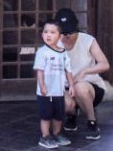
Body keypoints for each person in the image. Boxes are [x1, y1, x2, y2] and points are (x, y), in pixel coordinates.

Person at [54, 7, 109, 141]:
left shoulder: (88, 40)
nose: (67, 36)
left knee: (80, 88)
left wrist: (84, 71)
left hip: (89, 87)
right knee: (66, 103)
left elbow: (105, 64)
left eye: (70, 32)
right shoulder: (54, 43)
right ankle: (72, 115)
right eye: (63, 32)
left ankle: (92, 122)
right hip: (66, 87)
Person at [34, 19, 76, 149]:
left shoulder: (63, 52)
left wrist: (72, 85)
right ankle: (45, 136)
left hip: (58, 91)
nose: (48, 35)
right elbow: (40, 71)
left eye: (52, 32)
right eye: (45, 32)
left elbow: (68, 70)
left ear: (59, 36)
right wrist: (42, 86)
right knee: (46, 115)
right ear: (42, 35)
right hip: (45, 92)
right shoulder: (42, 52)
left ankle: (57, 133)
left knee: (58, 115)